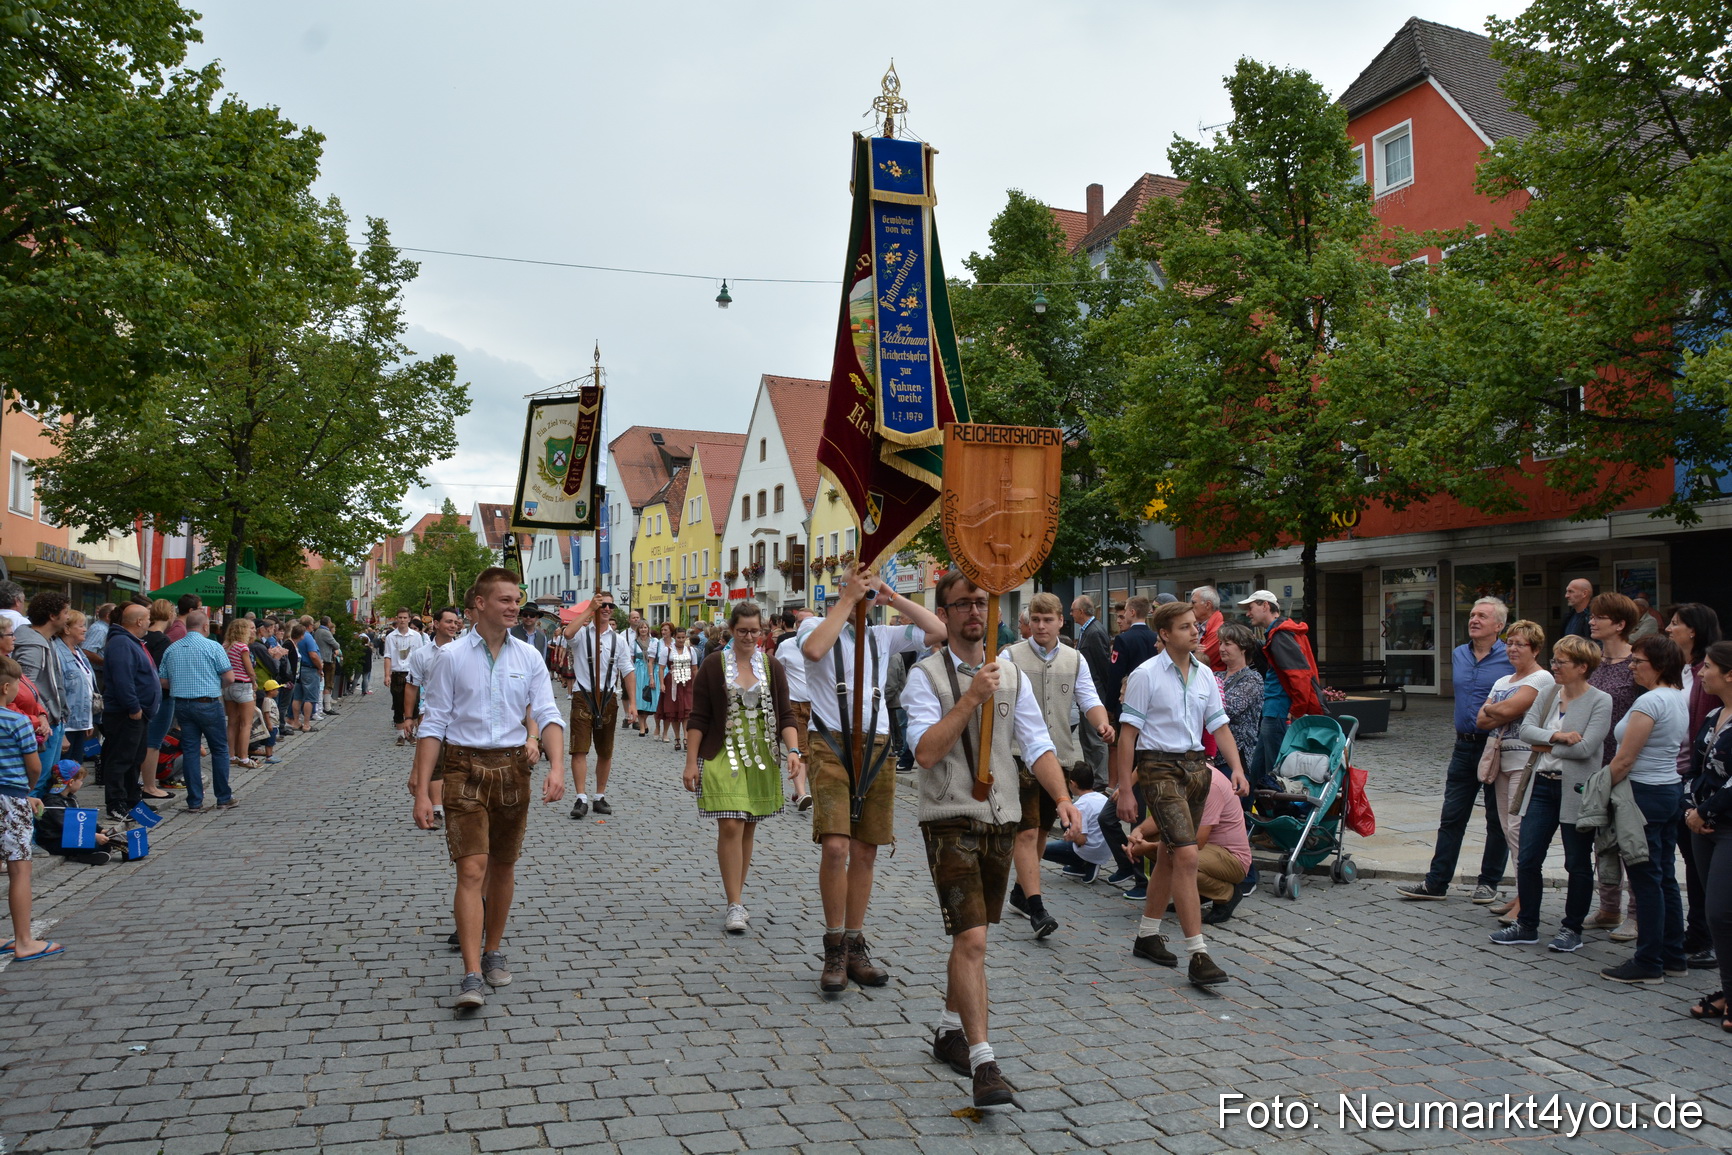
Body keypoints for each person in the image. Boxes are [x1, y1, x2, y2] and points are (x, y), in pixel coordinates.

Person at [903, 569, 1081, 1108]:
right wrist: (970, 699)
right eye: (963, 604)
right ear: (945, 614)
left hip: (1001, 816)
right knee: (974, 939)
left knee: (970, 937)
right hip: (949, 816)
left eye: (981, 602)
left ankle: (948, 1029)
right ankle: (985, 1064)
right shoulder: (925, 676)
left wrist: (1063, 798)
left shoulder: (1012, 676)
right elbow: (925, 752)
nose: (975, 611)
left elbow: (1037, 743)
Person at [411, 568, 566, 1010]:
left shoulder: (529, 657)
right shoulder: (451, 657)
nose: (514, 607)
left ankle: (493, 948)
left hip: (514, 768)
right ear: (480, 603)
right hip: (463, 768)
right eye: (505, 599)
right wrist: (422, 789)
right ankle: (471, 972)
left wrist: (558, 766)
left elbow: (548, 712)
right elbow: (434, 723)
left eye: (517, 599)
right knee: (471, 870)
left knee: (502, 865)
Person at [800, 564, 945, 993]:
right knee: (836, 846)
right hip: (831, 742)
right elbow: (814, 651)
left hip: (878, 745)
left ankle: (854, 943)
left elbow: (938, 631)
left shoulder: (883, 636)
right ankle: (833, 945)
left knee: (865, 851)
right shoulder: (814, 626)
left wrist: (891, 596)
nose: (862, 596)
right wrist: (847, 598)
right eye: (856, 586)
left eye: (866, 589)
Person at [1116, 599, 1248, 987]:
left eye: (1195, 625)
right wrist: (1126, 790)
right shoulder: (1145, 675)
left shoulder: (1205, 675)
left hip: (1197, 769)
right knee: (1188, 855)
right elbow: (1127, 736)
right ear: (1165, 633)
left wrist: (1237, 768)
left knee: (1171, 856)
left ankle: (1147, 936)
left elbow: (1220, 726)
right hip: (1158, 768)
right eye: (1186, 626)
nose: (1196, 631)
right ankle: (1198, 954)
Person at [683, 601, 802, 934]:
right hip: (722, 752)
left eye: (754, 631)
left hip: (761, 754)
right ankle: (734, 903)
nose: (749, 637)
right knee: (731, 825)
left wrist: (793, 750)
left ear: (762, 631)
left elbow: (786, 714)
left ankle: (737, 895)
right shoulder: (713, 664)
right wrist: (691, 762)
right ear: (731, 631)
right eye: (742, 631)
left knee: (748, 826)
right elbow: (699, 717)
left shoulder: (772, 666)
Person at [1000, 592, 1113, 940]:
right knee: (1026, 830)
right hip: (1018, 756)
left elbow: (1089, 698)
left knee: (1040, 830)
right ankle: (1036, 907)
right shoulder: (1010, 656)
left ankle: (1021, 892)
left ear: (1061, 621)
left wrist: (1102, 724)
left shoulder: (1074, 658)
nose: (1041, 626)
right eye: (1035, 620)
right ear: (1028, 622)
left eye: (1048, 620)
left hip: (1059, 756)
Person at [1489, 634, 1612, 952]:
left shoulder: (1600, 700)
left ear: (1582, 667)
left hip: (1576, 789)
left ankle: (1572, 928)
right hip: (1541, 784)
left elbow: (1586, 748)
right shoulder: (1547, 693)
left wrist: (1545, 744)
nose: (1554, 666)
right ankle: (1526, 924)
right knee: (1529, 858)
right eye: (1554, 660)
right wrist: (1558, 736)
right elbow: (1526, 732)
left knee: (1577, 863)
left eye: (1561, 662)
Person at [1396, 597, 1515, 902]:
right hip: (1463, 746)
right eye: (1473, 614)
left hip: (1496, 747)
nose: (1474, 619)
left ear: (1499, 626)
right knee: (1452, 817)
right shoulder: (1459, 653)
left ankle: (1488, 882)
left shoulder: (1509, 657)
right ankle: (1436, 883)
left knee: (1496, 819)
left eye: (1482, 616)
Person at [1593, 634, 1689, 983]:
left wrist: (1598, 791)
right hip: (1667, 790)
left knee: (1646, 879)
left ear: (1659, 665)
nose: (1631, 666)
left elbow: (1624, 759)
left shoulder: (1650, 702)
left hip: (1643, 796)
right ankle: (1673, 956)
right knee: (1664, 877)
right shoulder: (1676, 696)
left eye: (1638, 661)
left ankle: (1648, 961)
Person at [1473, 620, 1554, 925]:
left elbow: (1504, 711)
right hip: (1501, 761)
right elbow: (1481, 720)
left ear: (1535, 648)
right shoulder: (1503, 680)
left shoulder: (1541, 678)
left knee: (1519, 830)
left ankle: (1526, 900)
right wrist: (1501, 709)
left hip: (1526, 762)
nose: (1513, 649)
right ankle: (1522, 893)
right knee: (1507, 828)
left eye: (1520, 644)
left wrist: (1498, 709)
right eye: (1509, 643)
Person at [1668, 602, 1723, 968]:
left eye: (1675, 623)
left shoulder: (1710, 671)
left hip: (1703, 780)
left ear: (1693, 631)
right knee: (1691, 859)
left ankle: (1708, 937)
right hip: (1679, 776)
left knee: (1704, 863)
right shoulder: (1682, 669)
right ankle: (1697, 931)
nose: (1668, 629)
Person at [1586, 591, 1643, 937]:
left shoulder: (1636, 663)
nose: (1592, 621)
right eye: (1592, 615)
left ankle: (1636, 914)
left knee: (1630, 841)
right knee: (1602, 839)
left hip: (1624, 763)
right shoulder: (1592, 661)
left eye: (1599, 617)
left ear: (1620, 624)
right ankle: (1608, 907)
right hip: (1593, 761)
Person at [1683, 641, 1732, 1027]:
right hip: (1702, 825)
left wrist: (1704, 811)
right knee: (1715, 916)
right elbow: (1695, 768)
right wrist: (1689, 808)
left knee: (1721, 912)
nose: (1701, 672)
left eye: (1709, 667)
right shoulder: (1715, 713)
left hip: (1725, 824)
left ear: (1729, 674)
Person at [1238, 590, 1325, 792]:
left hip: (1277, 711)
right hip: (1274, 711)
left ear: (1265, 606)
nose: (1248, 613)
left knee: (1275, 779)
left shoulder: (1280, 635)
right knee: (1257, 772)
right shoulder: (1281, 632)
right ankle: (1247, 811)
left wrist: (1296, 710)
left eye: (1251, 608)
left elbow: (1299, 675)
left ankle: (1277, 812)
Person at [561, 593, 637, 819]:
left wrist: (632, 704)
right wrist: (588, 610)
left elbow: (628, 671)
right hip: (583, 695)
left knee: (605, 750)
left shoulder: (618, 640)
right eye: (602, 604)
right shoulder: (582, 633)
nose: (606, 608)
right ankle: (581, 797)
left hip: (608, 698)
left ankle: (599, 796)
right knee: (579, 748)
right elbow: (567, 633)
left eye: (610, 605)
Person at [0, 654, 55, 962]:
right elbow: (33, 766)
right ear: (6, 687)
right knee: (20, 869)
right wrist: (27, 791)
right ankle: (24, 940)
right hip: (11, 796)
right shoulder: (16, 721)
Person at [158, 611, 237, 812]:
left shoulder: (172, 648)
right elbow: (229, 677)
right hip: (208, 702)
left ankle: (194, 801)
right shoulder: (213, 646)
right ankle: (223, 797)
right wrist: (213, 685)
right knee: (219, 749)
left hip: (182, 704)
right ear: (205, 627)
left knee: (191, 751)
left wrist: (182, 686)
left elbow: (163, 681)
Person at [100, 604, 159, 820]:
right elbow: (122, 678)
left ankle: (132, 799)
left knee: (135, 758)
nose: (150, 622)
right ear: (139, 621)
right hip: (125, 713)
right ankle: (116, 802)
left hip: (139, 712)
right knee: (121, 758)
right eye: (148, 618)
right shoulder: (121, 643)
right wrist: (133, 706)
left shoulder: (132, 642)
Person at [14, 592, 72, 783]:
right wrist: (42, 715)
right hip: (43, 723)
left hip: (51, 719)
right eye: (65, 612)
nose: (68, 617)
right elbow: (25, 687)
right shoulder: (33, 645)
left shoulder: (46, 640)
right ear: (52, 616)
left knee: (46, 780)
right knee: (39, 781)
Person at [1041, 766, 1123, 883]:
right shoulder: (1102, 798)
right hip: (1105, 849)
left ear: (1072, 783)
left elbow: (1081, 840)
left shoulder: (1080, 805)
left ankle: (1085, 863)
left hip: (1090, 850)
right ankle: (1081, 865)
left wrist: (1070, 834)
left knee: (1042, 849)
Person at [1071, 595, 1112, 790]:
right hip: (1087, 695)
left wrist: (1104, 696)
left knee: (1096, 740)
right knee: (1086, 739)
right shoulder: (1088, 630)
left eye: (1073, 610)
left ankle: (1100, 781)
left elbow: (1103, 665)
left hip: (1095, 694)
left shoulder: (1094, 632)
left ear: (1081, 612)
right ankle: (1092, 779)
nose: (1071, 614)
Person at [1215, 622, 1263, 779]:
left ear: (1243, 649)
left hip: (1236, 759)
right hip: (1212, 756)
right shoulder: (1216, 676)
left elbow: (1229, 709)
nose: (1222, 648)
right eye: (1220, 643)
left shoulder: (1252, 679)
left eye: (1228, 644)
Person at [138, 601, 176, 799]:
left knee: (145, 740)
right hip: (160, 697)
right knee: (154, 743)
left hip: (143, 695)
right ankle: (150, 786)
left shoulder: (143, 637)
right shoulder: (162, 641)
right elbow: (161, 674)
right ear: (169, 615)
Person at [54, 610, 96, 783]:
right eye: (81, 625)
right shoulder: (57, 652)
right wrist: (62, 731)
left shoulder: (78, 651)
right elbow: (57, 693)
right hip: (67, 724)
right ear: (66, 629)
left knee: (76, 769)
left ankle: (68, 797)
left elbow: (86, 688)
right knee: (63, 771)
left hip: (79, 722)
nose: (85, 629)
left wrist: (88, 720)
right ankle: (59, 797)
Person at [382, 607, 426, 742]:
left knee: (414, 704)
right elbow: (388, 656)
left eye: (405, 618)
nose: (402, 620)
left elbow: (420, 655)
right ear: (397, 618)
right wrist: (387, 675)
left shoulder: (416, 636)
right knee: (398, 703)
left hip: (412, 673)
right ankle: (401, 735)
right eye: (400, 617)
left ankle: (411, 733)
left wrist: (423, 674)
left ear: (409, 619)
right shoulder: (391, 637)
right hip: (397, 673)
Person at [222, 618, 259, 771]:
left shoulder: (225, 646)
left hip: (229, 686)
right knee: (246, 724)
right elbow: (249, 669)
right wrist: (254, 681)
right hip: (243, 685)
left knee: (232, 722)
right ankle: (244, 757)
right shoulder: (242, 647)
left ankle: (231, 755)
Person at [663, 628, 696, 753]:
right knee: (674, 710)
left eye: (683, 637)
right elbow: (661, 668)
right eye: (678, 637)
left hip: (687, 682)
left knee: (687, 710)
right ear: (674, 637)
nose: (681, 640)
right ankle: (677, 737)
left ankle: (686, 738)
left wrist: (697, 683)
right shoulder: (667, 650)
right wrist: (662, 683)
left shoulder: (690, 650)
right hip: (673, 682)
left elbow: (694, 668)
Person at [630, 622, 662, 736]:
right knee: (640, 697)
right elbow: (631, 659)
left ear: (648, 629)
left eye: (645, 627)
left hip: (651, 670)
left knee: (651, 697)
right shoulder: (634, 643)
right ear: (638, 630)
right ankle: (642, 726)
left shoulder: (655, 641)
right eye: (641, 628)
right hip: (639, 670)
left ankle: (647, 722)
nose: (643, 630)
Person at [290, 623, 323, 735]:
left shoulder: (295, 639)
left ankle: (296, 722)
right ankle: (306, 724)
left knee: (297, 697)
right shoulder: (308, 637)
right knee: (309, 698)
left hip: (299, 668)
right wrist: (320, 667)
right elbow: (313, 655)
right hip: (309, 669)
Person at [1190, 587, 1226, 672]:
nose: (1190, 606)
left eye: (1193, 602)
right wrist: (1192, 650)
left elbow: (1199, 661)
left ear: (1207, 605)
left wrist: (1189, 649)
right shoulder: (1198, 626)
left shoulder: (1219, 631)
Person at [82, 603, 113, 672]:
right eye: (115, 613)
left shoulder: (104, 628)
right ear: (108, 616)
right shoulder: (100, 629)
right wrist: (105, 664)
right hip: (97, 671)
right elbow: (87, 651)